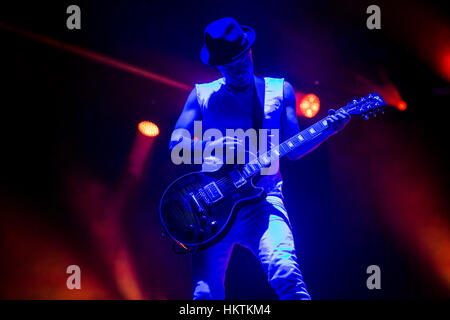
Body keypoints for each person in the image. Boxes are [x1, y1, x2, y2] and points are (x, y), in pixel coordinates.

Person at [169, 17, 350, 300]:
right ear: (217, 66)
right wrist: (209, 145)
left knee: (287, 273)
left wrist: (328, 129)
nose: (238, 69)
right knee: (205, 293)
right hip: (211, 205)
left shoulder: (280, 91)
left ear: (250, 52)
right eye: (229, 66)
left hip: (263, 200)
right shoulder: (202, 95)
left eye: (242, 60)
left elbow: (294, 148)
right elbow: (175, 145)